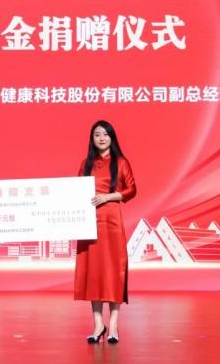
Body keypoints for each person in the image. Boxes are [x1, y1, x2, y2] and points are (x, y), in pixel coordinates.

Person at [74, 120, 137, 344]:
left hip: (111, 221)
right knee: (94, 272)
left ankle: (114, 325)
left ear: (112, 137)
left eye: (105, 134)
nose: (101, 138)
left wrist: (107, 197)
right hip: (89, 222)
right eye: (97, 134)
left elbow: (132, 190)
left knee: (113, 271)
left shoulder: (121, 162)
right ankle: (98, 324)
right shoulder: (86, 163)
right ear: (92, 139)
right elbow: (75, 191)